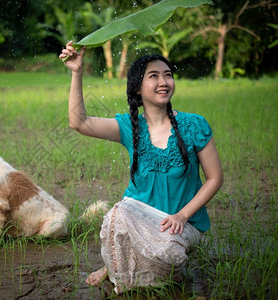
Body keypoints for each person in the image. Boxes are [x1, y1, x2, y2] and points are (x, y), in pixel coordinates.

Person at [59, 41, 223, 293]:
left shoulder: (194, 125)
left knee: (167, 254)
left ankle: (116, 265)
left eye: (168, 75)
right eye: (154, 76)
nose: (164, 82)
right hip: (137, 216)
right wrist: (77, 72)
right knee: (117, 215)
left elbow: (215, 178)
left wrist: (182, 215)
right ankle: (116, 265)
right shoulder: (128, 126)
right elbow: (78, 122)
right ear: (137, 87)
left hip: (181, 224)